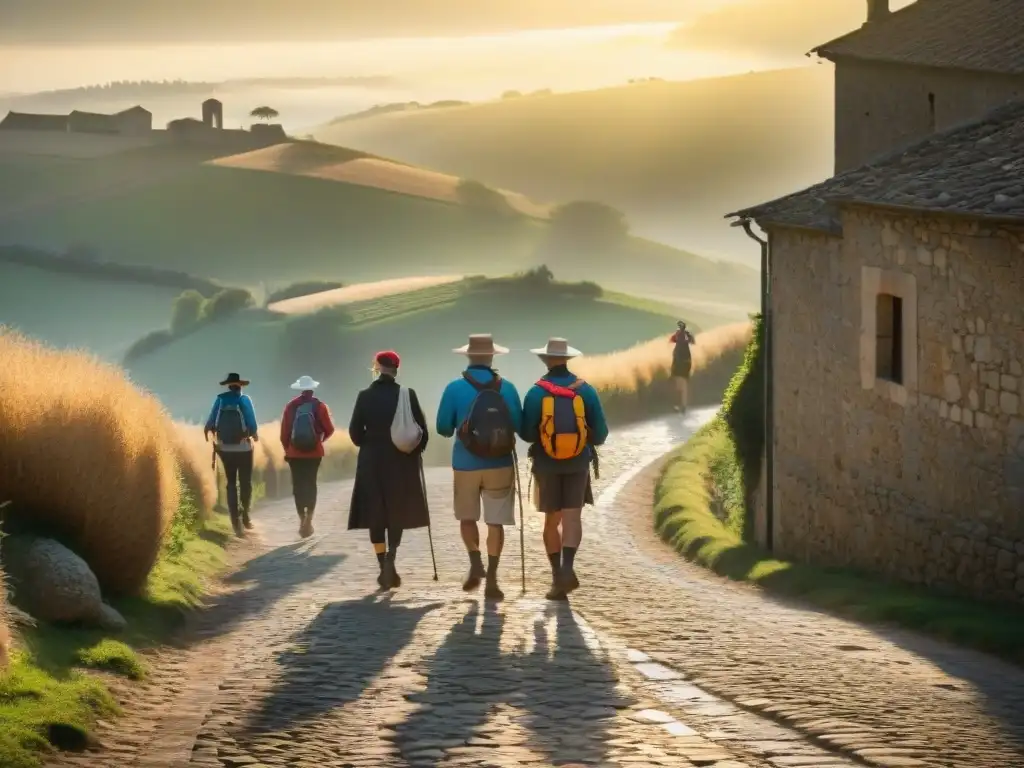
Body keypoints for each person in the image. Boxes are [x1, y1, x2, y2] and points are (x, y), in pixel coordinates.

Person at [436, 334, 523, 601]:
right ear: (493, 357)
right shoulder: (507, 388)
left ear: (468, 357)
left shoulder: (453, 388)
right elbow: (520, 426)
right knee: (495, 522)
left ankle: (475, 562)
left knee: (467, 517)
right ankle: (493, 580)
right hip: (500, 463)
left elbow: (442, 428)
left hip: (465, 463)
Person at [521, 338, 608, 600]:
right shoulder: (586, 391)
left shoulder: (536, 393)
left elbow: (526, 433)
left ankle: (557, 578)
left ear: (545, 360)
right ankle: (568, 568)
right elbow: (601, 434)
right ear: (568, 359)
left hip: (546, 465)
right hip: (578, 463)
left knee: (551, 521)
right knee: (572, 518)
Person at [347, 351, 430, 590]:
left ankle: (383, 564)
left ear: (376, 367)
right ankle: (392, 557)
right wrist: (413, 452)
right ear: (397, 369)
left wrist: (370, 442)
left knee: (376, 512)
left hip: (372, 461)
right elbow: (422, 432)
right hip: (401, 462)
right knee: (397, 511)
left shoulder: (364, 396)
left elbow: (354, 433)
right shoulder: (408, 395)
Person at [204, 372, 259, 537]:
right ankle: (246, 515)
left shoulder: (220, 399)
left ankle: (235, 521)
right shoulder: (244, 400)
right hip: (244, 449)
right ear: (240, 385)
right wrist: (253, 434)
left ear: (228, 385)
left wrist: (213, 434)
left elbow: (210, 422)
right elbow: (252, 424)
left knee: (231, 483)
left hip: (225, 448)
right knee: (245, 482)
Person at [280, 375, 336, 539]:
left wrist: (288, 449)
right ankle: (309, 520)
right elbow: (330, 429)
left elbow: (284, 433)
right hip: (314, 453)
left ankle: (301, 519)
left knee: (298, 486)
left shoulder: (291, 406)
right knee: (311, 484)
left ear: (299, 389)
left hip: (294, 453)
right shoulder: (320, 406)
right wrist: (319, 441)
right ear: (313, 389)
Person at [670, 320, 696, 412]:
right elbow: (672, 340)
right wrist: (684, 334)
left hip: (683, 362)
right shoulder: (680, 335)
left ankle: (682, 405)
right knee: (680, 384)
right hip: (680, 361)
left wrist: (685, 335)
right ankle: (680, 405)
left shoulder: (684, 335)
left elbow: (692, 341)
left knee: (681, 384)